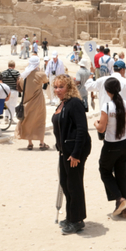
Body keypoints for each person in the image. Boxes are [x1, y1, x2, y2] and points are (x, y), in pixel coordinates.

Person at [52, 74, 92, 234]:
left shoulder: (75, 103)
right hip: (64, 151)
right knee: (65, 184)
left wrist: (76, 154)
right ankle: (70, 216)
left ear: (69, 87)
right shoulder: (62, 104)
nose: (57, 90)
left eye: (61, 87)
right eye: (55, 87)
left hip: (75, 151)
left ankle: (77, 220)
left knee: (74, 185)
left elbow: (82, 129)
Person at [95, 78, 126, 220]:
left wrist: (96, 123)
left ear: (107, 91)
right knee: (121, 175)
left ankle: (119, 199)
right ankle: (125, 209)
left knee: (104, 171)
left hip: (111, 145)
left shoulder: (106, 106)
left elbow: (101, 128)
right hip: (125, 144)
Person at [16, 56, 50, 150]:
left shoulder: (24, 76)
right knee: (40, 121)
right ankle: (41, 143)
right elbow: (46, 80)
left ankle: (30, 143)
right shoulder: (40, 74)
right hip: (38, 101)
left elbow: (22, 88)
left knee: (27, 122)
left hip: (27, 101)